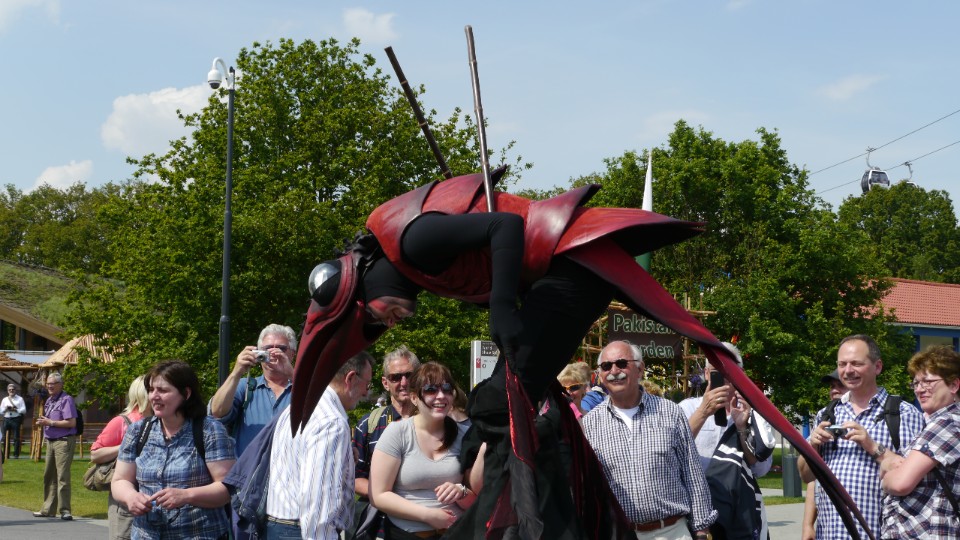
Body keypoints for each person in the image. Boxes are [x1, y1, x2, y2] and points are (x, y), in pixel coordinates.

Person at [290, 169, 857, 538]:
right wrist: (502, 297)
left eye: (377, 315)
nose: (391, 321)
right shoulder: (417, 260)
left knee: (499, 400)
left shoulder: (411, 241)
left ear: (357, 287)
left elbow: (506, 227)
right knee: (511, 399)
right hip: (561, 276)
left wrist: (503, 307)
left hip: (572, 265)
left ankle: (527, 521)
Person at [582, 340, 716, 540]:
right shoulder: (590, 424)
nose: (614, 371)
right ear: (600, 375)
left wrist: (702, 530)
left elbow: (692, 473)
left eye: (621, 363)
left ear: (640, 369)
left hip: (671, 532)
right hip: (619, 534)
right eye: (606, 366)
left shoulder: (670, 412)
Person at [797, 334, 925, 539]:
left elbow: (919, 479)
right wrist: (812, 445)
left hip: (880, 533)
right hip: (830, 534)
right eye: (842, 364)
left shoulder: (903, 413)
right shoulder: (827, 414)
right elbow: (806, 476)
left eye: (856, 363)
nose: (848, 370)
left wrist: (870, 444)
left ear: (877, 366)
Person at [113, 360, 236, 539]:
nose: (154, 396)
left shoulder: (209, 430)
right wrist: (130, 496)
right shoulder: (138, 430)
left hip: (199, 533)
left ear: (186, 393)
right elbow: (120, 479)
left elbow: (227, 488)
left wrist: (186, 495)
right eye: (151, 390)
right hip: (145, 534)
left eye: (163, 390)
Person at [267, 350, 374, 540]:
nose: (366, 392)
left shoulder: (298, 407)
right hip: (303, 532)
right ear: (350, 378)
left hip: (280, 526)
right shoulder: (331, 422)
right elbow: (319, 504)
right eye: (367, 384)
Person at [679, 342, 775, 540]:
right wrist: (703, 412)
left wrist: (742, 428)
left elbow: (761, 469)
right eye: (717, 371)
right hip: (696, 510)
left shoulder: (754, 414)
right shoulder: (687, 409)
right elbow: (673, 449)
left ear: (740, 374)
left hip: (739, 512)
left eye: (730, 370)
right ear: (707, 374)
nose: (724, 376)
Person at [369, 362, 476, 540]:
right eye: (430, 390)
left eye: (447, 389)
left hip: (456, 533)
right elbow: (378, 495)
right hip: (405, 534)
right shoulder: (397, 433)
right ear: (413, 398)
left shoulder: (467, 436)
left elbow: (479, 496)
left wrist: (461, 492)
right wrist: (428, 515)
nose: (441, 396)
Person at [878, 345, 960, 538]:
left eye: (928, 382)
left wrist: (886, 478)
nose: (920, 389)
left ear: (953, 385)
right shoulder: (938, 422)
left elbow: (900, 483)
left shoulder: (947, 423)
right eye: (916, 383)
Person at [209, 324, 296, 456]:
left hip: (290, 467)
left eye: (281, 348)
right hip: (250, 468)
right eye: (267, 349)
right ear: (258, 353)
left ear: (292, 354)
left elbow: (324, 406)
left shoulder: (302, 388)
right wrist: (237, 372)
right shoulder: (246, 386)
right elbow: (217, 412)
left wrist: (292, 374)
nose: (273, 353)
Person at [353, 346, 421, 506]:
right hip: (382, 517)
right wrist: (390, 497)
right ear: (385, 383)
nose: (404, 382)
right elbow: (355, 477)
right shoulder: (369, 424)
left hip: (425, 514)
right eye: (395, 377)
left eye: (409, 375)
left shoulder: (435, 422)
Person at [91, 375, 150, 540]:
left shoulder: (161, 421)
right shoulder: (122, 422)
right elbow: (95, 454)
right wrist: (126, 446)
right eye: (152, 390)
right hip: (125, 497)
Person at [802, 369, 847, 540]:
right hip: (828, 526)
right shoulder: (824, 417)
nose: (834, 390)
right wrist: (808, 525)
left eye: (840, 385)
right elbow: (812, 479)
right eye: (832, 386)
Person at [33, 371, 78, 520]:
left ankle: (65, 510)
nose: (50, 386)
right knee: (49, 475)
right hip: (51, 441)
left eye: (53, 384)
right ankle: (48, 509)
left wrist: (50, 422)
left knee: (62, 476)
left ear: (61, 384)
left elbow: (71, 423)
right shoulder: (49, 400)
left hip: (63, 441)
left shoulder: (66, 400)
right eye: (48, 384)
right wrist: (43, 422)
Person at [1, 382, 27, 459]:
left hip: (16, 419)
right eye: (10, 390)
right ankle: (6, 454)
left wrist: (16, 410)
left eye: (13, 389)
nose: (11, 391)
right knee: (5, 437)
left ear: (15, 390)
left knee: (16, 437)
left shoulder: (20, 399)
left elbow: (24, 410)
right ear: (7, 391)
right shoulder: (5, 399)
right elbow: (0, 411)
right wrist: (5, 409)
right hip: (6, 418)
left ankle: (16, 455)